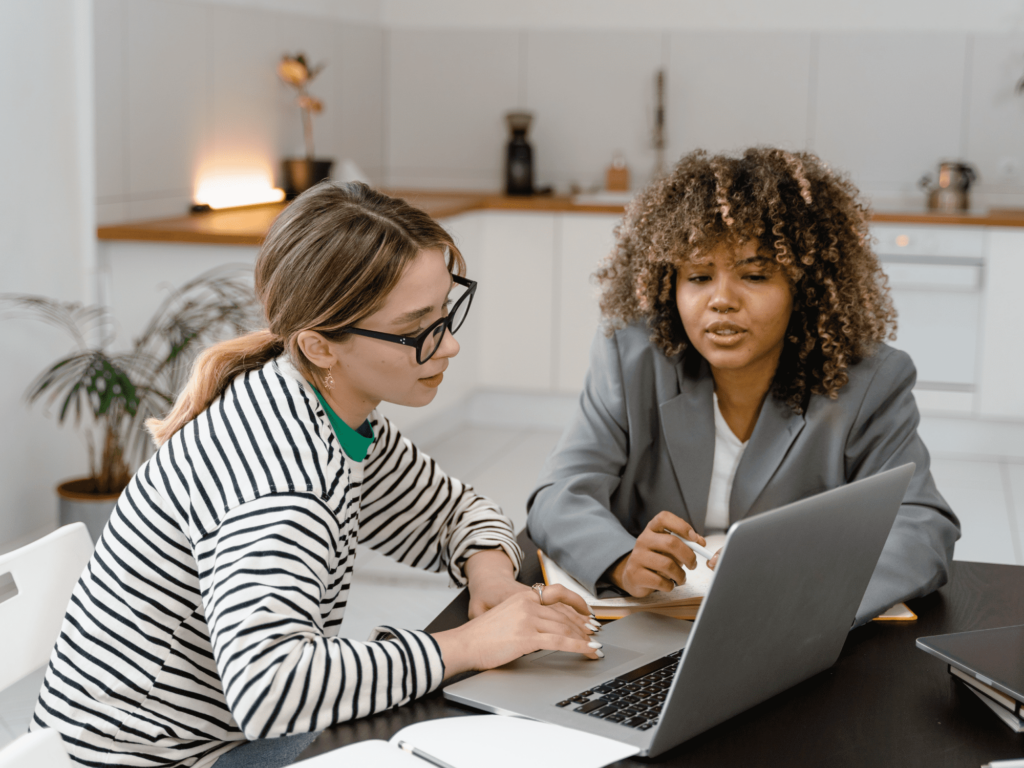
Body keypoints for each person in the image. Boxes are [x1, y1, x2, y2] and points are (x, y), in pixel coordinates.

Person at [31, 182, 601, 768]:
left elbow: (456, 512)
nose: (449, 344)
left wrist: (493, 582)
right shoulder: (286, 481)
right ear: (321, 346)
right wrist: (468, 644)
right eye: (417, 329)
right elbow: (271, 690)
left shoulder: (322, 409)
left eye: (446, 313)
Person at [527, 147, 960, 625]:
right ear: (669, 285)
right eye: (698, 276)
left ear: (804, 285)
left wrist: (807, 595)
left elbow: (922, 528)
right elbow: (559, 494)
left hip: (788, 639)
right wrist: (620, 560)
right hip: (648, 630)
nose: (721, 301)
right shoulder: (632, 358)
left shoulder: (868, 380)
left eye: (754, 275)